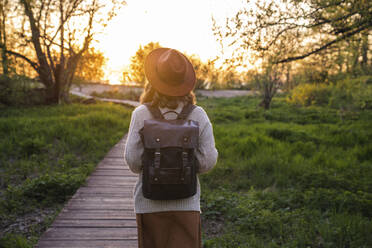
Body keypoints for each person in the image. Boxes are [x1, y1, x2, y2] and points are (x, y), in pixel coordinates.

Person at [124, 47, 218, 248]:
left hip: (149, 205)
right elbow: (208, 161)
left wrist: (155, 163)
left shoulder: (141, 114)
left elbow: (132, 161)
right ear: (185, 83)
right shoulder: (198, 114)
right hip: (187, 205)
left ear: (154, 81)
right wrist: (184, 164)